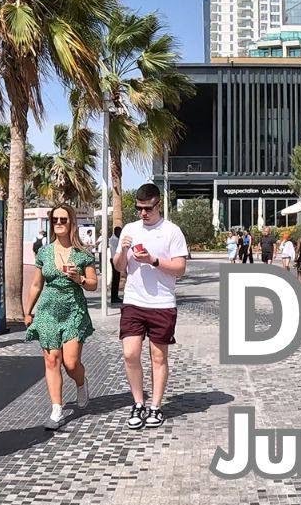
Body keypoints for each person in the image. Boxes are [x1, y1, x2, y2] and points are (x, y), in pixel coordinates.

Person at [113, 183, 188, 430]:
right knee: (130, 353)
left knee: (158, 357)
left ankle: (155, 406)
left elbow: (180, 268)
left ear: (158, 205)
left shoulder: (172, 231)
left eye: (147, 208)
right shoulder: (130, 229)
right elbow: (119, 267)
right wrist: (123, 251)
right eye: (138, 208)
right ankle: (138, 403)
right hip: (134, 301)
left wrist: (153, 260)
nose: (143, 213)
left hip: (162, 304)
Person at [24, 203, 98, 430]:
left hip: (73, 309)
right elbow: (36, 284)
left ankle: (80, 382)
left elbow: (93, 285)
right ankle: (56, 408)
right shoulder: (45, 252)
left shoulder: (82, 254)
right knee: (51, 360)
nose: (58, 223)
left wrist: (80, 279)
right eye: (54, 219)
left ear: (72, 223)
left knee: (71, 362)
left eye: (63, 220)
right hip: (48, 310)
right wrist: (28, 311)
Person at [107, 225, 123, 303]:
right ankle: (114, 297)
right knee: (116, 279)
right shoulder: (115, 240)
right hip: (114, 259)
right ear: (116, 232)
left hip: (114, 259)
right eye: (119, 231)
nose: (120, 233)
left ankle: (115, 296)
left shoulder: (114, 239)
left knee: (116, 279)